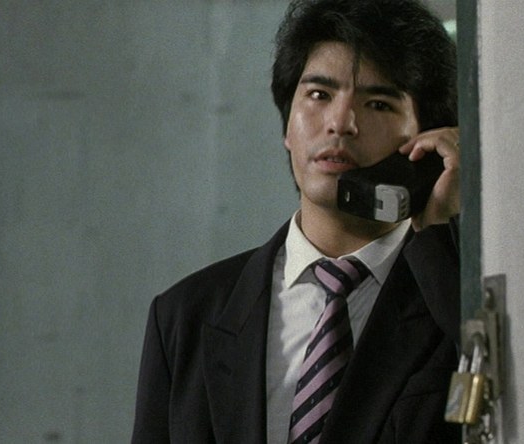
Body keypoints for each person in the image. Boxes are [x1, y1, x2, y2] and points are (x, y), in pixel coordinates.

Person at [132, 0, 461, 442]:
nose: (341, 123)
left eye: (379, 103)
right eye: (319, 95)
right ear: (288, 124)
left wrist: (443, 230)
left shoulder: (453, 302)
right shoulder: (185, 316)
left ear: (426, 140)